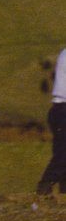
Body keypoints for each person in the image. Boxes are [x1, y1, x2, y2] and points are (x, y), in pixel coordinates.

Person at [37, 48, 66, 196]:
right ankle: (46, 183)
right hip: (63, 108)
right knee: (63, 152)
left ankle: (62, 190)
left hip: (60, 109)